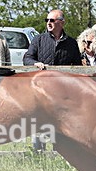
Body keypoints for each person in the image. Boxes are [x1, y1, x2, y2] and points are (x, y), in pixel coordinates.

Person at [23, 9, 80, 151]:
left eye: (52, 20)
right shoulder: (39, 39)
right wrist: (35, 63)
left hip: (62, 92)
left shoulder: (71, 43)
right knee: (39, 121)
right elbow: (27, 58)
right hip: (41, 90)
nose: (48, 23)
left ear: (62, 23)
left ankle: (60, 151)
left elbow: (78, 67)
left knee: (61, 122)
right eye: (47, 20)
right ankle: (38, 152)